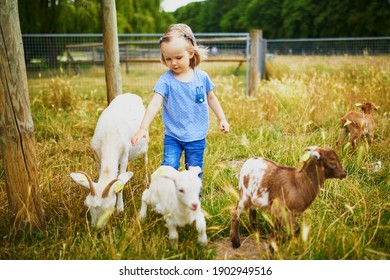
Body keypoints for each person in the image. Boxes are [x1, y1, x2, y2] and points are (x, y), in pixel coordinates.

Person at [131, 23, 229, 179]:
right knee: (169, 168)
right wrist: (143, 127)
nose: (173, 63)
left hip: (197, 136)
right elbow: (155, 103)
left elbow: (211, 98)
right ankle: (167, 197)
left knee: (194, 171)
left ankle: (193, 200)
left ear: (190, 53)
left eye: (178, 57)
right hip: (173, 136)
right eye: (167, 58)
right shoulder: (165, 81)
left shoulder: (201, 77)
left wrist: (222, 118)